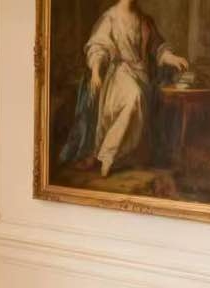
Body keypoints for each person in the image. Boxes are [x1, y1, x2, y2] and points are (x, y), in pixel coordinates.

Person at [60, 0, 188, 177]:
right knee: (134, 96)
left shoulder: (145, 21)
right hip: (119, 75)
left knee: (138, 101)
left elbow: (158, 48)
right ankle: (108, 154)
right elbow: (98, 47)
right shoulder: (110, 18)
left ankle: (117, 155)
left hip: (141, 75)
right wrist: (96, 71)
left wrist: (172, 58)